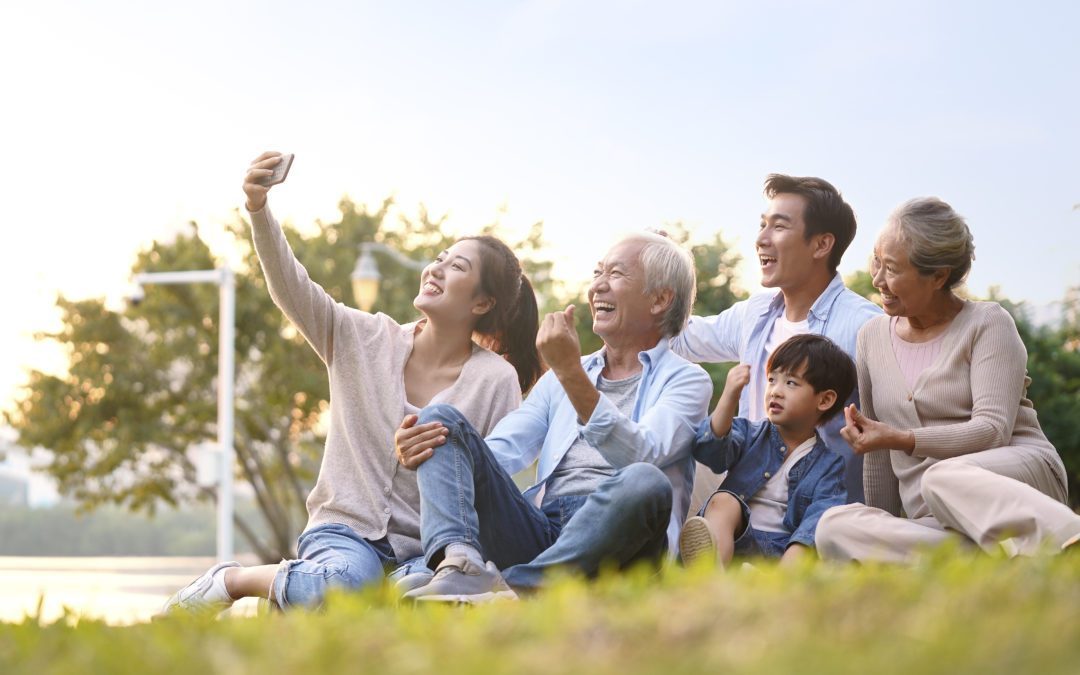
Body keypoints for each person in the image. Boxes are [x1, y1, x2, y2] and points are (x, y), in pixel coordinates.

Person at [161, 151, 542, 614]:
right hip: (343, 533)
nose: (435, 269)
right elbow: (291, 287)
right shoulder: (362, 336)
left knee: (418, 599)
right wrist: (259, 210)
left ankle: (305, 594)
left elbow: (490, 485)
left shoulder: (495, 379)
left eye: (457, 267)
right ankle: (234, 580)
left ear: (482, 303)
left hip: (426, 550)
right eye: (439, 259)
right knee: (345, 584)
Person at [393, 232, 712, 602]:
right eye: (597, 273)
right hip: (545, 529)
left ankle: (510, 587)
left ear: (659, 299)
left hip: (623, 536)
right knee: (441, 419)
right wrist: (445, 452)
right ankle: (460, 566)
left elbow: (643, 455)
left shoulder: (688, 380)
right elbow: (499, 450)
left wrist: (570, 374)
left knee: (645, 480)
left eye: (616, 274)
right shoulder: (559, 379)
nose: (598, 286)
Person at [816, 197, 1080, 562]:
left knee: (941, 477)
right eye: (876, 261)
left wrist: (903, 438)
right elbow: (877, 456)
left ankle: (1068, 536)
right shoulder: (872, 337)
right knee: (834, 526)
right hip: (934, 515)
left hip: (1016, 479)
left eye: (891, 268)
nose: (878, 279)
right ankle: (979, 557)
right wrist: (883, 521)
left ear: (938, 276)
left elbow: (992, 431)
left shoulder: (988, 323)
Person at [671, 174, 881, 505]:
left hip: (815, 501)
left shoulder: (864, 326)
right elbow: (680, 338)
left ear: (821, 244)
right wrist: (656, 272)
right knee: (673, 453)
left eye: (779, 227)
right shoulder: (756, 313)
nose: (761, 239)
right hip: (746, 486)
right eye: (762, 225)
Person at [679, 334, 856, 568]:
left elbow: (818, 517)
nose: (776, 391)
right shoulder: (750, 434)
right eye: (772, 380)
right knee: (723, 501)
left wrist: (796, 552)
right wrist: (730, 396)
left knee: (815, 530)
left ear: (824, 400)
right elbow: (709, 451)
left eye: (791, 383)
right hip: (735, 538)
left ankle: (778, 582)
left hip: (785, 550)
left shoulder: (829, 464)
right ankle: (713, 573)